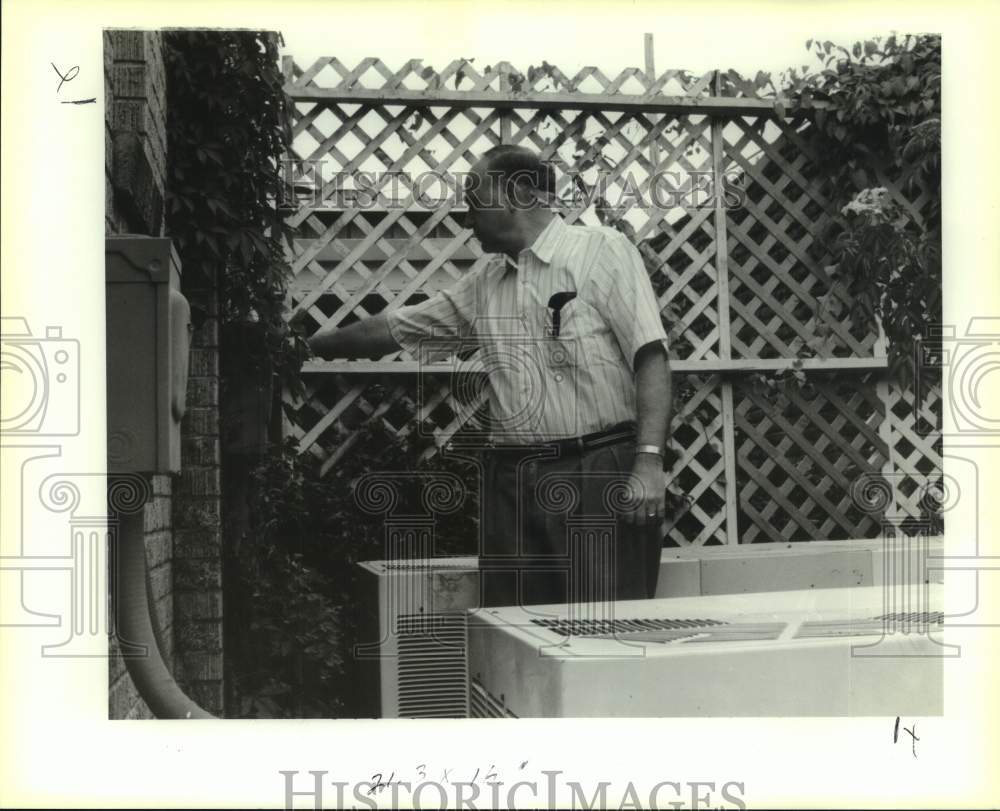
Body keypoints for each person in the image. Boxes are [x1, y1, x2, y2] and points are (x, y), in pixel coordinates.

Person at [308, 144, 672, 610]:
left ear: (519, 193)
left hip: (598, 473)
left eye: (474, 202)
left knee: (605, 633)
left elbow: (651, 357)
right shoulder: (485, 282)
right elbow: (395, 329)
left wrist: (648, 462)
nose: (466, 219)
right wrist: (305, 346)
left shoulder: (602, 252)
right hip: (512, 483)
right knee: (516, 637)